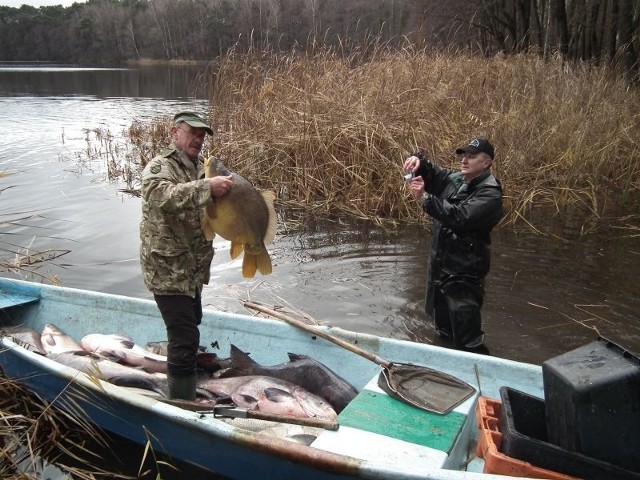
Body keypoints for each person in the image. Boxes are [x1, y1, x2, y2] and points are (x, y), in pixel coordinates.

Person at [139, 111, 233, 400]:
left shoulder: (200, 168)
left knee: (192, 321)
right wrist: (208, 187)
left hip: (191, 269)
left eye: (202, 135)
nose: (198, 139)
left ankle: (182, 369)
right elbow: (162, 196)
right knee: (185, 336)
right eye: (192, 132)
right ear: (174, 133)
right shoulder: (160, 167)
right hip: (167, 270)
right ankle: (181, 402)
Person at [403, 138, 503, 353]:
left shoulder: (490, 193)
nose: (464, 160)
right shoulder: (455, 180)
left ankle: (481, 377)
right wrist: (416, 159)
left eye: (471, 156)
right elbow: (432, 172)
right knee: (444, 332)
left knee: (469, 341)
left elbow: (460, 217)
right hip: (440, 270)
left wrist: (425, 198)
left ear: (486, 163)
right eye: (463, 156)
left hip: (464, 277)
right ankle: (449, 371)